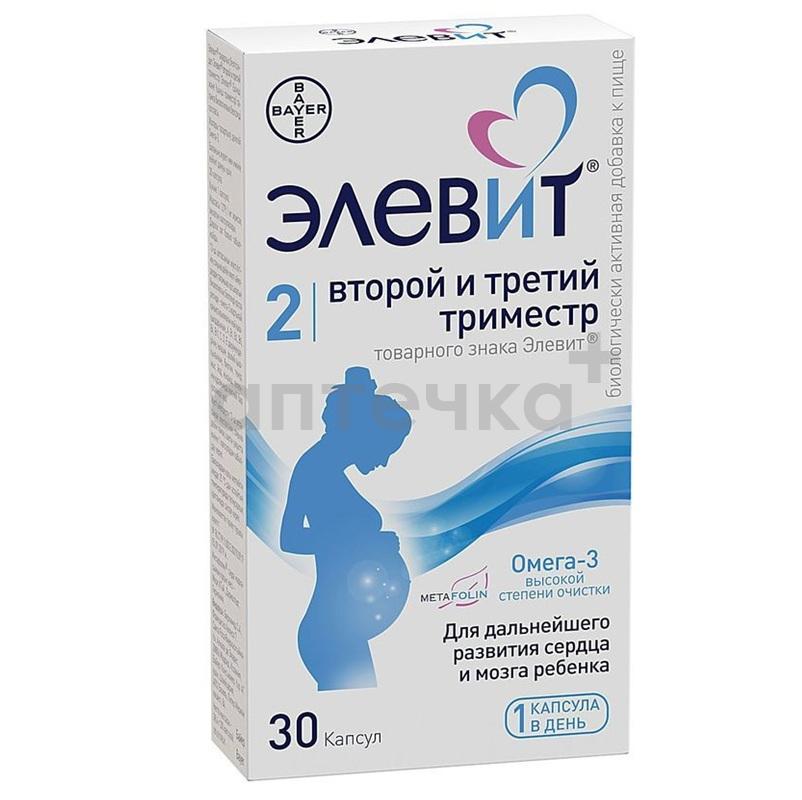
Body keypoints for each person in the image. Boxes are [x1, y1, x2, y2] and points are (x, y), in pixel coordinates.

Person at [280, 367, 412, 690]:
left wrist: (366, 542)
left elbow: (340, 535)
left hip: (342, 628)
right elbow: (290, 538)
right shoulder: (314, 468)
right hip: (329, 630)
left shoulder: (326, 469)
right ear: (365, 433)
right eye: (385, 448)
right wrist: (364, 542)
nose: (384, 461)